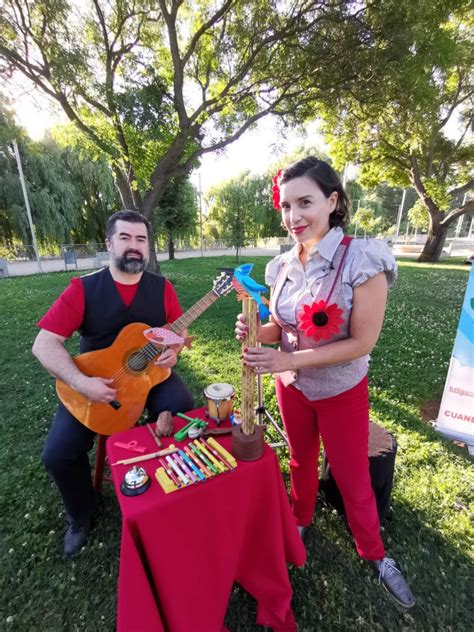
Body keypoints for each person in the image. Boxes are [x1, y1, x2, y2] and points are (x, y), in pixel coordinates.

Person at [235, 157, 415, 608]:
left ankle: (375, 553)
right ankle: (300, 520)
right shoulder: (281, 266)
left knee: (353, 474)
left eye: (305, 203)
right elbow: (282, 325)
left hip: (341, 390)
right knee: (298, 460)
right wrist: (259, 333)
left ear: (332, 202)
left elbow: (361, 342)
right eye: (285, 205)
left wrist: (282, 356)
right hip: (292, 385)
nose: (293, 217)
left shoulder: (362, 257)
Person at [32, 210, 194, 556]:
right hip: (93, 384)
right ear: (109, 243)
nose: (134, 246)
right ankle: (81, 512)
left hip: (149, 376)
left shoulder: (162, 288)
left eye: (141, 239)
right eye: (125, 238)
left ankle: (171, 484)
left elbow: (178, 332)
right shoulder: (82, 289)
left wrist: (175, 350)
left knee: (182, 408)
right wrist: (80, 382)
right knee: (58, 454)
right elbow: (43, 344)